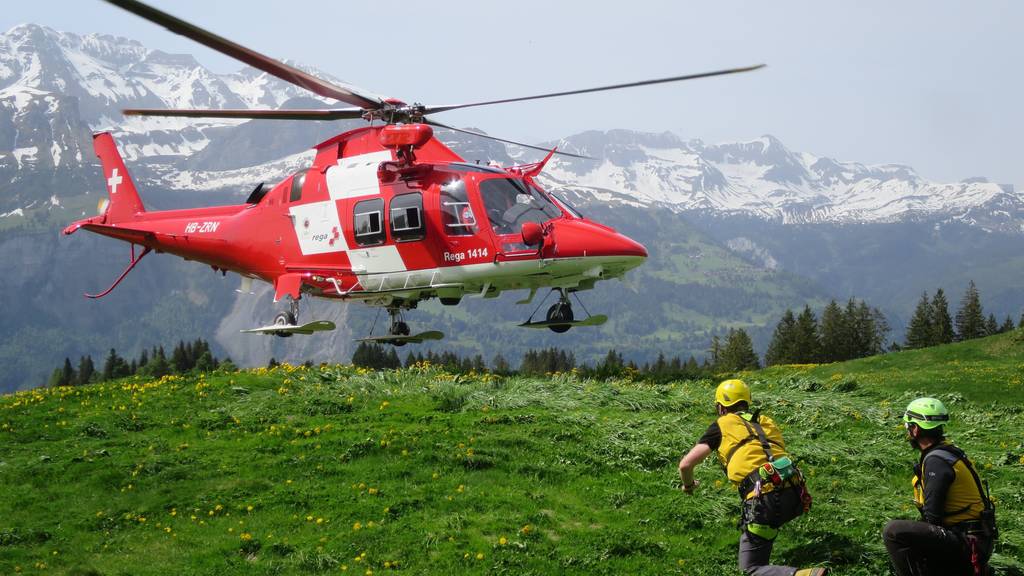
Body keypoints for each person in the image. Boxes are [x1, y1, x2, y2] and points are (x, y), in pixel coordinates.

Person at [678, 379, 827, 576]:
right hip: (796, 494)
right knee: (770, 522)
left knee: (751, 570)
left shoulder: (722, 425)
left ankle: (803, 575)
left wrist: (688, 485)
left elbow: (685, 464)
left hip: (765, 500)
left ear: (721, 407)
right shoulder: (766, 421)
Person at [883, 397, 997, 576]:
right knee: (912, 531)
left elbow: (932, 518)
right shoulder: (945, 452)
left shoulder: (936, 461)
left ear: (915, 429)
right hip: (976, 538)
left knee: (893, 531)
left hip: (968, 543)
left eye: (908, 427)